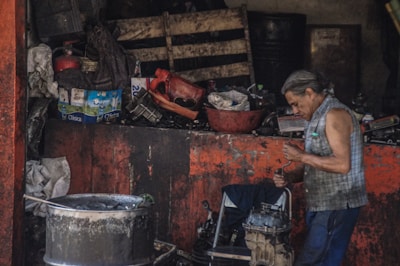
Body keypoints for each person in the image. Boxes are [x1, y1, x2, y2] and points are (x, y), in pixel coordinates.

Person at [273, 69, 368, 266]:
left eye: (295, 104)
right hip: (322, 203)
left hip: (337, 203)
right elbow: (317, 163)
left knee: (315, 261)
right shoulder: (315, 116)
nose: (295, 111)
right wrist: (290, 177)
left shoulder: (334, 114)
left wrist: (300, 156)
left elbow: (342, 165)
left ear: (309, 92)